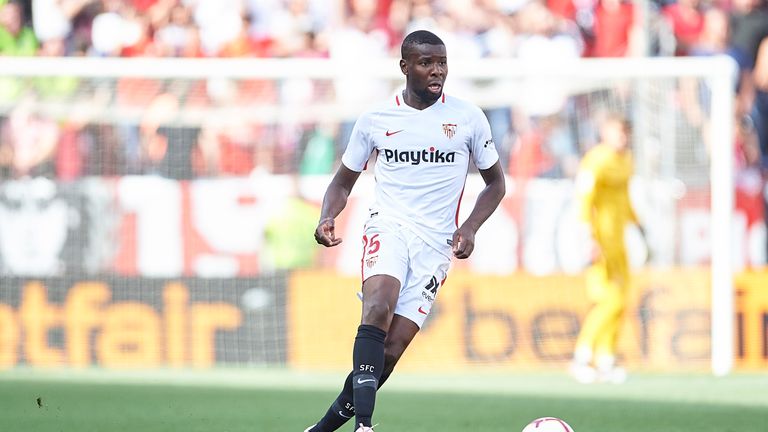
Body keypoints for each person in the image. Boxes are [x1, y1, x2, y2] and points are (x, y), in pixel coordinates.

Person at [306, 30, 506, 432]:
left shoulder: (468, 118)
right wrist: (328, 215)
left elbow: (496, 184)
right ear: (405, 67)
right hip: (390, 225)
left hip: (435, 245)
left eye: (442, 63)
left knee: (391, 352)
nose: (437, 71)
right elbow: (342, 182)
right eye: (426, 63)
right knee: (378, 304)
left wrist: (469, 226)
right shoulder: (376, 120)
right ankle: (366, 426)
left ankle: (321, 430)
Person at [569, 113, 644, 384]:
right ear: (604, 133)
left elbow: (625, 199)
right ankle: (581, 357)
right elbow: (583, 200)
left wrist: (640, 227)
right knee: (607, 300)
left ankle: (605, 358)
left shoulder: (626, 160)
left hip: (618, 244)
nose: (622, 137)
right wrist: (587, 237)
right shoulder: (595, 161)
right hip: (598, 243)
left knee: (621, 300)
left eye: (625, 132)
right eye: (617, 132)